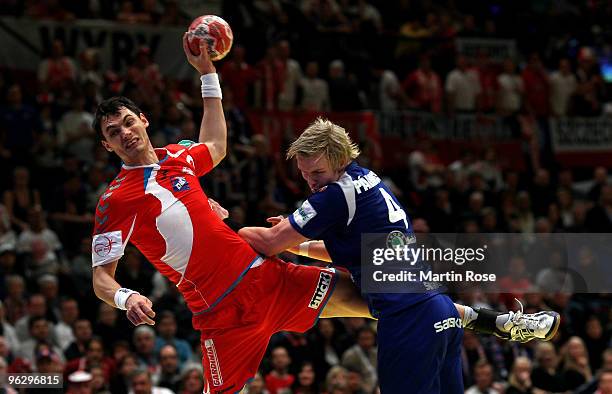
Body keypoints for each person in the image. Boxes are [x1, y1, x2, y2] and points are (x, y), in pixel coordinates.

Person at [91, 35, 370, 394]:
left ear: (143, 120)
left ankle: (464, 316)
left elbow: (216, 145)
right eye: (114, 132)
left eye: (128, 122)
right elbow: (101, 276)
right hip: (224, 316)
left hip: (269, 279)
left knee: (376, 299)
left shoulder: (178, 157)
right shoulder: (115, 201)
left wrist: (208, 73)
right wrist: (126, 297)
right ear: (106, 145)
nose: (125, 133)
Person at [237, 118, 561, 393]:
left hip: (409, 324)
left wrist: (234, 232)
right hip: (442, 312)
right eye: (304, 174)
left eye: (317, 172)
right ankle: (500, 322)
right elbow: (354, 255)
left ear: (338, 159)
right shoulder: (368, 179)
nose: (310, 183)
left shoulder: (335, 197)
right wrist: (295, 243)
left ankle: (501, 322)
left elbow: (266, 243)